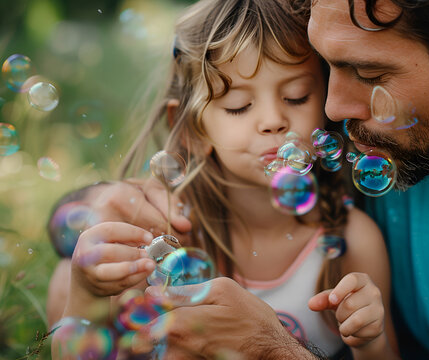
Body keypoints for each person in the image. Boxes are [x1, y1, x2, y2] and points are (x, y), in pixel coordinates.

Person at [131, 0, 429, 359]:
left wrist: (268, 348)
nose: (333, 107)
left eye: (368, 72)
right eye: (326, 68)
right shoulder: (383, 147)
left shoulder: (398, 150)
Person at [48, 0, 399, 359]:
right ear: (191, 131)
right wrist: (85, 294)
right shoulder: (162, 235)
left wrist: (371, 343)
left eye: (296, 96)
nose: (272, 120)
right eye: (238, 105)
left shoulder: (354, 241)